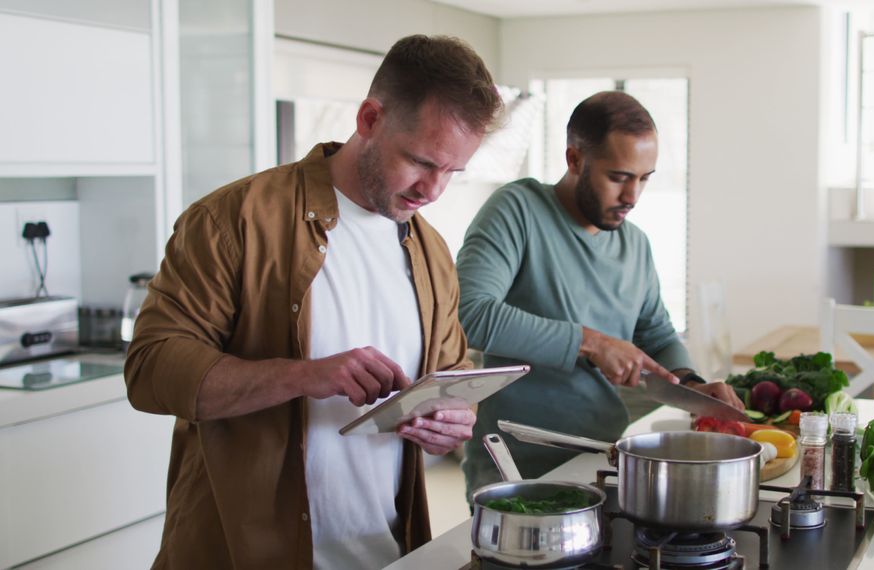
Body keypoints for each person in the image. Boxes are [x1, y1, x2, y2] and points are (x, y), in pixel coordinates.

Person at [124, 35, 502, 569]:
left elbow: (453, 373)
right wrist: (304, 376)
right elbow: (149, 369)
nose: (433, 190)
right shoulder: (233, 219)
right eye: (420, 161)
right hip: (238, 555)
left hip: (387, 554)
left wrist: (455, 418)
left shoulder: (432, 251)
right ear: (370, 119)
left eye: (452, 172)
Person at [456, 91, 744, 495]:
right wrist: (589, 343)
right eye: (619, 177)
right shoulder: (516, 210)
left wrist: (691, 384)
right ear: (575, 159)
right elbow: (469, 314)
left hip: (603, 460)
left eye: (644, 179)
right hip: (516, 471)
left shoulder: (636, 245)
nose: (632, 197)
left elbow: (656, 335)